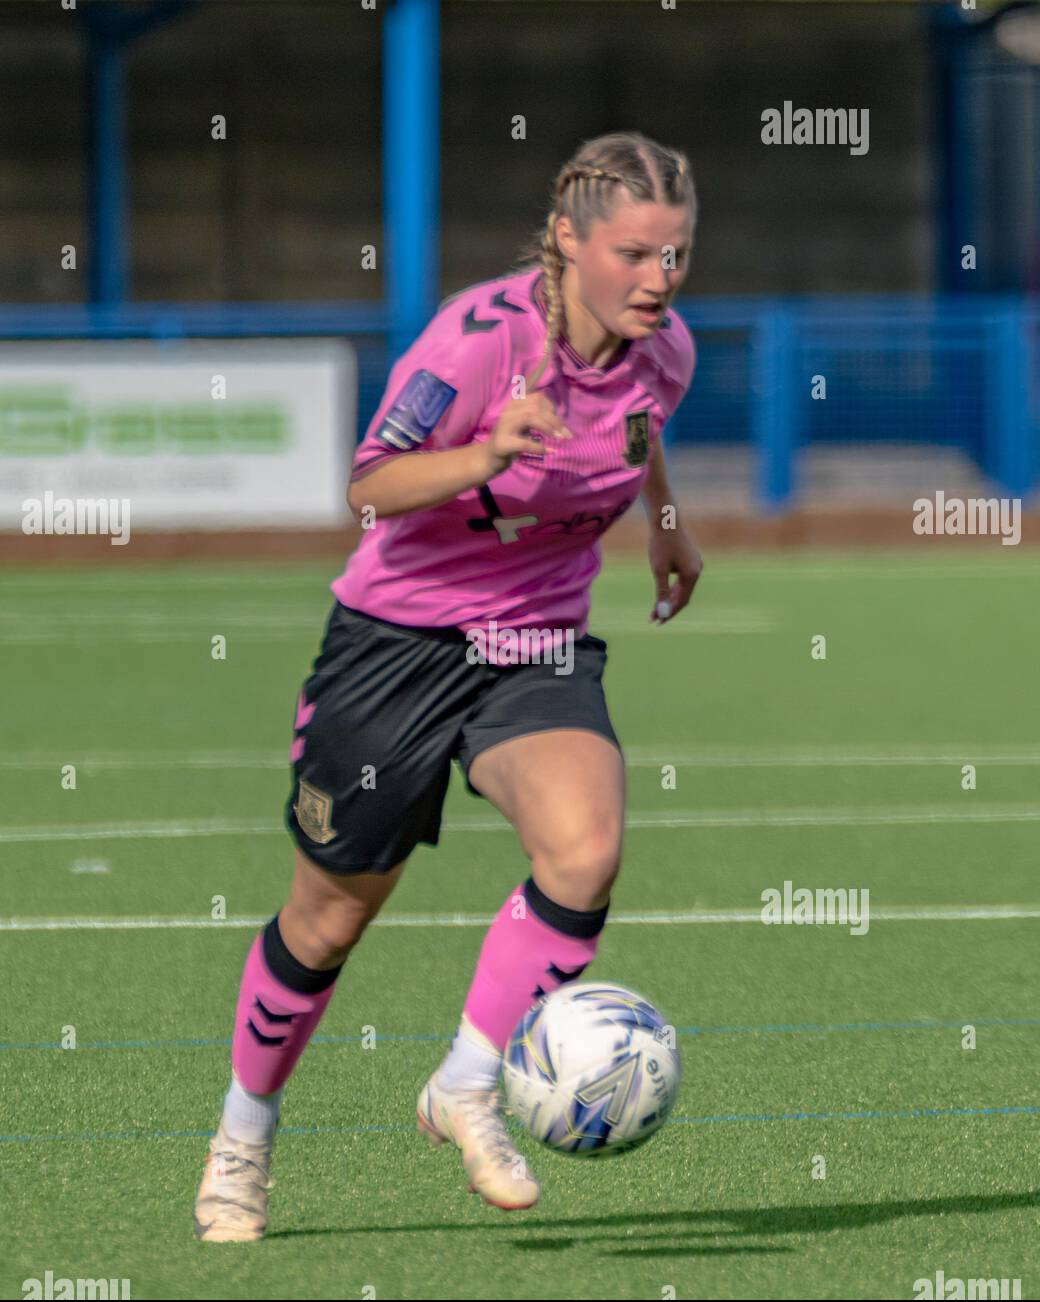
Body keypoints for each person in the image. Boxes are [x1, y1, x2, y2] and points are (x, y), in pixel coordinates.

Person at [194, 130, 703, 1241]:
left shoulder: (665, 353)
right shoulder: (478, 342)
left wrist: (666, 528)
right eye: (632, 254)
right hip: (394, 646)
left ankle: (468, 1083)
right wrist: (482, 453)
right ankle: (243, 1133)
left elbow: (639, 433)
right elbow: (368, 484)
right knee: (327, 921)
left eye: (675, 255)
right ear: (567, 241)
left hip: (533, 640)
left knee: (584, 846)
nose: (658, 280)